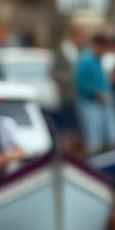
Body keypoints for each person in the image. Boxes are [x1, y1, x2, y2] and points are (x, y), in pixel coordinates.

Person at [74, 31, 115, 153]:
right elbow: (80, 83)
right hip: (90, 103)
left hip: (102, 102)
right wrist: (95, 93)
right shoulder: (85, 61)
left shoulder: (98, 60)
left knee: (111, 135)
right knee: (94, 137)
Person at [49, 22, 85, 151]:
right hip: (66, 95)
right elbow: (53, 73)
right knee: (68, 126)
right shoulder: (62, 50)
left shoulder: (79, 50)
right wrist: (69, 78)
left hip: (78, 96)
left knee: (77, 126)